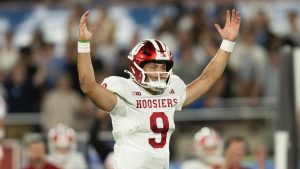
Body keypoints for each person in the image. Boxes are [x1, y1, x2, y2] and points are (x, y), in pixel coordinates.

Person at [77, 9, 241, 169]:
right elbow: (88, 86)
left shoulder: (172, 89)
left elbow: (207, 80)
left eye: (163, 68)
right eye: (153, 67)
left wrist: (227, 43)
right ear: (136, 66)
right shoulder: (123, 92)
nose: (159, 73)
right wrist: (84, 45)